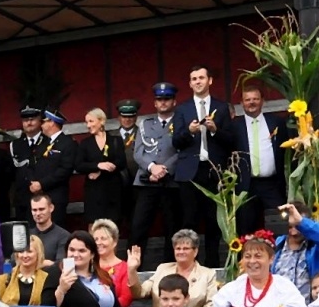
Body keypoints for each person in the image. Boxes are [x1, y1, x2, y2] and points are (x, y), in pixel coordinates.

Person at [171, 66, 234, 264]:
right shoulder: (182, 109)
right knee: (189, 221)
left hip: (214, 171)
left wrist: (215, 130)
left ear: (210, 81)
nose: (197, 81)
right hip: (189, 173)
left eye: (201, 78)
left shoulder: (222, 107)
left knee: (214, 222)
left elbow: (231, 140)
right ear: (190, 84)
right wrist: (189, 132)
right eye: (194, 79)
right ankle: (189, 265)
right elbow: (176, 142)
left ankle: (213, 266)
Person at [131, 83, 181, 264]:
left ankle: (171, 267)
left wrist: (163, 169)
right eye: (160, 99)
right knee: (138, 227)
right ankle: (135, 268)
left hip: (171, 182)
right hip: (146, 181)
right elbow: (138, 152)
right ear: (154, 103)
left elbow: (182, 151)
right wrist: (152, 168)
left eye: (167, 99)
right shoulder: (145, 124)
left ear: (174, 101)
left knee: (172, 228)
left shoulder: (180, 122)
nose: (163, 103)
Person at [231, 83, 287, 234]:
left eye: (255, 99)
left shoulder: (277, 122)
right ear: (242, 103)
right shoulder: (234, 126)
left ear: (262, 101)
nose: (252, 102)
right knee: (246, 228)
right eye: (247, 100)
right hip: (246, 186)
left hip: (272, 184)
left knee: (280, 225)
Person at [127, 228, 217, 307]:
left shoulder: (208, 274)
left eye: (185, 248)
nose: (181, 252)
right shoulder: (162, 269)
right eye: (178, 248)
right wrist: (132, 270)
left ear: (195, 251)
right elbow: (140, 293)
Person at [269, 203, 319, 299]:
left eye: (296, 223)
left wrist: (301, 223)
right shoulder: (276, 246)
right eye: (290, 224)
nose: (294, 227)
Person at [76, 108, 129, 231]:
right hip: (94, 193)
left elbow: (121, 162)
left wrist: (102, 169)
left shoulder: (115, 140)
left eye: (91, 121)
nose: (88, 125)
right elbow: (78, 165)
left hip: (113, 192)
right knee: (93, 227)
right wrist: (97, 166)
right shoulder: (85, 143)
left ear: (101, 121)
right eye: (86, 122)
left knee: (112, 229)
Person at [7, 106, 47, 225]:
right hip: (22, 198)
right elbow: (12, 173)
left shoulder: (48, 141)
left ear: (40, 121)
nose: (29, 123)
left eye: (32, 119)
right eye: (25, 120)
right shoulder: (15, 145)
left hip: (43, 196)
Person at [0, 235, 56, 306]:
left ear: (38, 253)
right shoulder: (3, 278)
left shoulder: (46, 279)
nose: (25, 255)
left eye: (29, 251)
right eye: (21, 251)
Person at [26, 192, 70, 264]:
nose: (37, 214)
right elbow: (14, 261)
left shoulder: (64, 236)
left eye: (41, 209)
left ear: (51, 208)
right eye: (34, 210)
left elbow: (61, 265)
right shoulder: (26, 235)